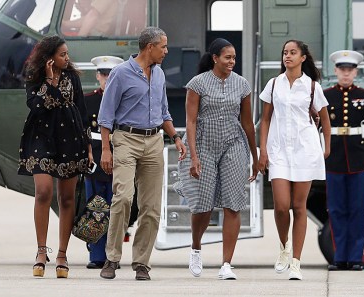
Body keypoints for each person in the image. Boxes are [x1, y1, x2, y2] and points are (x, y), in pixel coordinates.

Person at [97, 27, 187, 281]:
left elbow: (164, 112)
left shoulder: (158, 75)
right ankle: (112, 258)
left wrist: (176, 138)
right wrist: (106, 149)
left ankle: (141, 263)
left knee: (151, 206)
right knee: (123, 197)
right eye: (164, 47)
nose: (167, 51)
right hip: (125, 139)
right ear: (150, 47)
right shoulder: (121, 74)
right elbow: (105, 116)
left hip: (154, 141)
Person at [174, 38, 258, 280]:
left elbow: (247, 123)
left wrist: (255, 156)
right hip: (203, 144)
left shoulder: (242, 84)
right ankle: (196, 248)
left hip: (233, 144)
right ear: (215, 58)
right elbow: (190, 121)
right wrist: (193, 155)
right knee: (203, 204)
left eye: (233, 58)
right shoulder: (197, 83)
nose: (231, 61)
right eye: (227, 57)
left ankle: (226, 264)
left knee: (233, 204)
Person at [18, 35, 93, 278]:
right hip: (41, 136)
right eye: (62, 54)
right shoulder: (35, 76)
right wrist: (49, 80)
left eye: (67, 54)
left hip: (70, 138)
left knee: (67, 198)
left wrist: (89, 146)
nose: (67, 58)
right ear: (49, 58)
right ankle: (41, 251)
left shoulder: (73, 77)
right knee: (43, 192)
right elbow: (37, 105)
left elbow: (82, 111)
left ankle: (62, 254)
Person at [258, 40, 331, 280]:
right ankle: (284, 246)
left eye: (292, 53)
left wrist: (326, 148)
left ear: (302, 58)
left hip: (304, 150)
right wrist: (263, 150)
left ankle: (297, 263)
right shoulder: (273, 84)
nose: (287, 56)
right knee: (281, 206)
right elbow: (266, 119)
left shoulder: (312, 87)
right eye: (284, 53)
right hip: (278, 150)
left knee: (299, 207)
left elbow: (325, 119)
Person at [324, 50, 364, 271]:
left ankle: (356, 258)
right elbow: (319, 127)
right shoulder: (327, 96)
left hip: (357, 159)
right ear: (336, 71)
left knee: (357, 209)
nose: (346, 74)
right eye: (342, 70)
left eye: (350, 70)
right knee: (336, 209)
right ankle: (340, 258)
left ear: (355, 72)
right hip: (334, 158)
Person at [83, 55, 139, 269]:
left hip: (123, 153)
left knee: (119, 206)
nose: (107, 78)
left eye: (111, 74)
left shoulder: (125, 100)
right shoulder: (88, 100)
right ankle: (96, 256)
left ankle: (112, 254)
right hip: (96, 158)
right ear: (97, 76)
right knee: (96, 206)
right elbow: (83, 130)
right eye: (103, 74)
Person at [61, 0, 147, 37]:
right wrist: (65, 23)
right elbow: (88, 19)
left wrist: (78, 40)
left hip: (98, 35)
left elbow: (92, 17)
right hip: (101, 34)